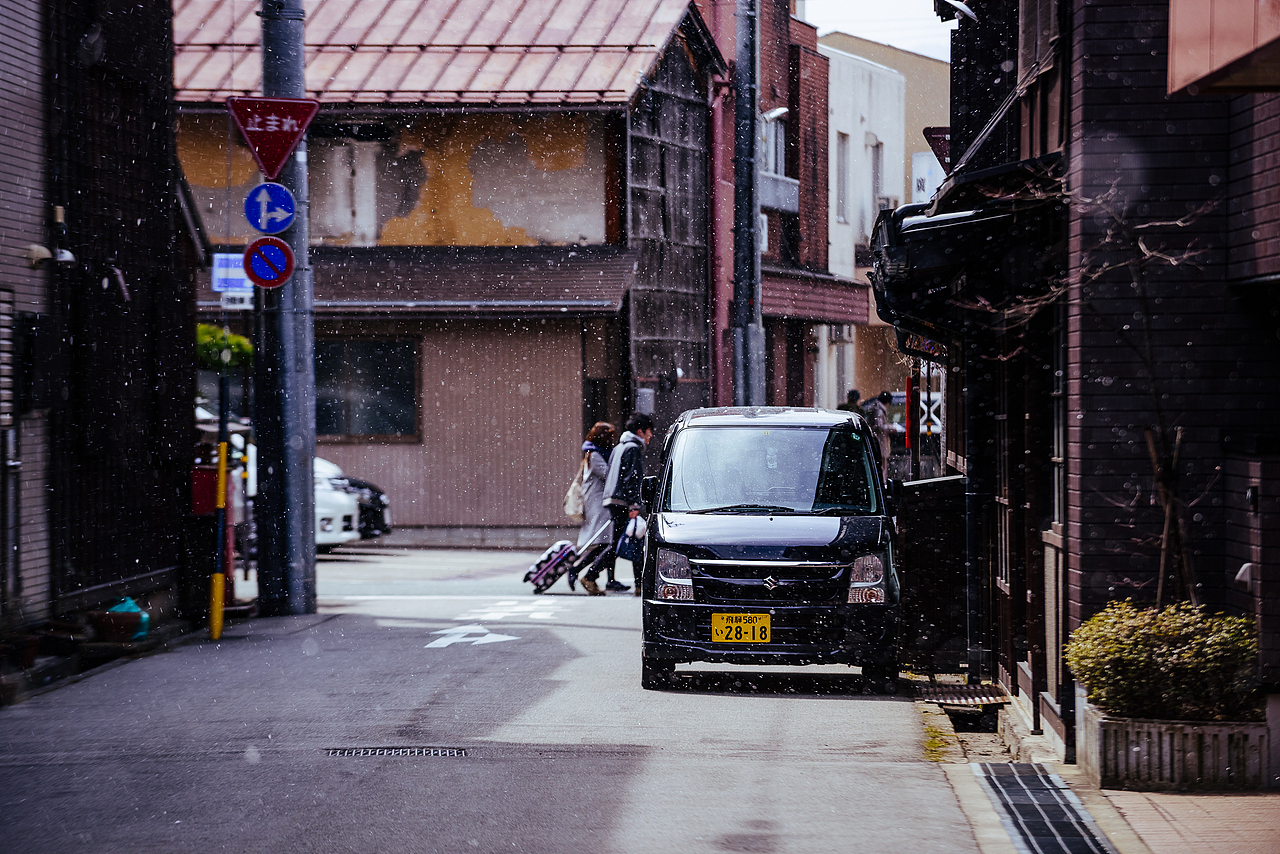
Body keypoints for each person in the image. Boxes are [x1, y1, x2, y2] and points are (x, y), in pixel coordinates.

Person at [582, 411, 655, 595]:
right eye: (649, 431)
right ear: (640, 431)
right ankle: (590, 576)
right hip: (623, 502)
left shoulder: (619, 447)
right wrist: (634, 505)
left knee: (630, 541)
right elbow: (633, 478)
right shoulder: (632, 448)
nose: (651, 435)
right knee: (621, 544)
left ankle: (639, 585)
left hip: (613, 500)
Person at [571, 422, 615, 592]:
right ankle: (577, 570)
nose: (612, 439)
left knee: (607, 543)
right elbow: (608, 474)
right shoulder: (595, 454)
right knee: (606, 544)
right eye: (610, 435)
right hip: (598, 503)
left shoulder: (597, 452)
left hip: (602, 502)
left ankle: (599, 577)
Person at [861, 390, 893, 477]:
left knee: (879, 462)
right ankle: (883, 482)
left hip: (877, 439)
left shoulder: (875, 407)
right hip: (880, 440)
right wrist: (890, 428)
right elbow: (879, 426)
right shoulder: (879, 410)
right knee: (882, 464)